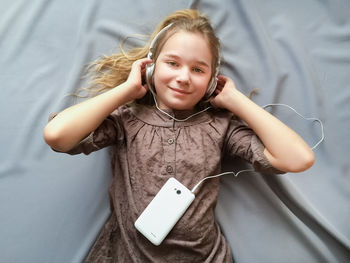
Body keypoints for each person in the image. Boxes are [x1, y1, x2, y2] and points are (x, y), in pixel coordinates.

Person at [44, 9, 314, 263]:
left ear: (211, 81)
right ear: (150, 67)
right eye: (172, 63)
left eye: (198, 70)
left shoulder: (219, 126)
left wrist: (236, 100)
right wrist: (126, 91)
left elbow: (298, 159)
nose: (184, 77)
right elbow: (57, 135)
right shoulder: (126, 119)